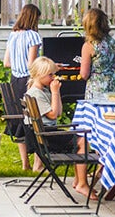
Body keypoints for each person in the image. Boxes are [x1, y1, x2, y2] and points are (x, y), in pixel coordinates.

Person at [25, 56, 93, 199]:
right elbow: (53, 114)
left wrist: (56, 93)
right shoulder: (36, 93)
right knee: (82, 141)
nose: (53, 77)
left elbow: (59, 112)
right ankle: (81, 183)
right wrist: (55, 92)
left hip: (45, 133)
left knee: (79, 140)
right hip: (45, 136)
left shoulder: (42, 90)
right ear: (39, 74)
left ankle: (78, 180)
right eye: (50, 74)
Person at [3, 4, 43, 171]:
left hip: (14, 81)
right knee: (36, 119)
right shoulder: (33, 36)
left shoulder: (12, 35)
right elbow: (31, 64)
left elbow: (6, 63)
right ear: (34, 18)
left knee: (20, 120)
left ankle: (24, 164)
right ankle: (37, 165)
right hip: (29, 81)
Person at [79, 8, 115, 98]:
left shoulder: (89, 46)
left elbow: (84, 74)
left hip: (97, 88)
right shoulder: (113, 42)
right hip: (113, 85)